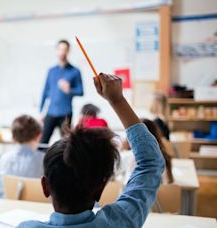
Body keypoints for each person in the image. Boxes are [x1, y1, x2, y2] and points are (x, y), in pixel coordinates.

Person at [19, 73, 165, 227]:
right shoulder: (118, 222)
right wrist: (117, 100)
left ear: (45, 186)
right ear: (100, 190)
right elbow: (151, 163)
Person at [40, 40, 84, 144]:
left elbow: (81, 91)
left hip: (65, 113)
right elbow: (45, 91)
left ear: (68, 51)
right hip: (50, 112)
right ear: (56, 51)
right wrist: (41, 111)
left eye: (65, 49)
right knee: (42, 143)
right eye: (60, 49)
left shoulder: (75, 71)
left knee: (67, 144)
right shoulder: (51, 71)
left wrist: (69, 90)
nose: (62, 52)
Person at [118, 118, 173, 184]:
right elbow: (169, 183)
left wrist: (122, 148)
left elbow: (110, 173)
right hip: (158, 193)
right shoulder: (163, 156)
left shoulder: (129, 156)